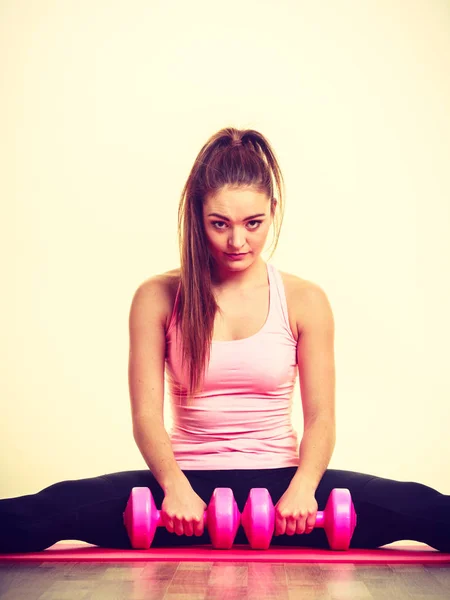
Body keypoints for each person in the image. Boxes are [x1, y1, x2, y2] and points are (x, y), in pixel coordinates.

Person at [1, 127, 449, 554]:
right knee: (51, 508)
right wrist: (175, 489)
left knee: (420, 505)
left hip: (283, 485)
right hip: (182, 487)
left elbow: (322, 419)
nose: (238, 241)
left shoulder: (305, 300)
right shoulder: (157, 297)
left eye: (253, 223)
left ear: (273, 210)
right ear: (198, 216)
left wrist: (304, 491)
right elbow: (145, 416)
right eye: (220, 224)